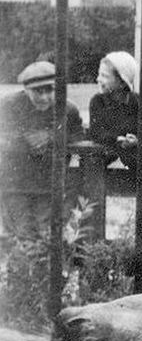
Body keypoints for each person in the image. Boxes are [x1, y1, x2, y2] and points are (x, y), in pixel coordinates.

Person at [0, 61, 84, 239]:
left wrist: (51, 136)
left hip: (49, 185)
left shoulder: (68, 109)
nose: (45, 97)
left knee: (48, 236)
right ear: (26, 89)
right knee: (22, 235)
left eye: (50, 90)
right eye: (38, 91)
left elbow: (78, 137)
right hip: (16, 184)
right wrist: (24, 139)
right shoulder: (9, 105)